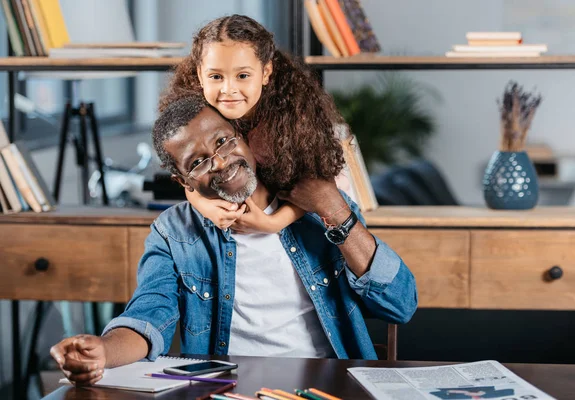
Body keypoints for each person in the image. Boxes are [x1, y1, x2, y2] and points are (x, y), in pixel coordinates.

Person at [50, 96, 418, 386]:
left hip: (325, 384)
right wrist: (102, 351)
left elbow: (400, 305)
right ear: (184, 183)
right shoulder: (173, 233)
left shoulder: (317, 208)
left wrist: (333, 208)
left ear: (244, 138)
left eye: (224, 141)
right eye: (197, 162)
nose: (221, 161)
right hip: (227, 389)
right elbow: (148, 317)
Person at [158, 14, 346, 233]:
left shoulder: (291, 117)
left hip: (306, 215)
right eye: (216, 77)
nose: (228, 89)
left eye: (243, 75)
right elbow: (189, 174)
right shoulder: (195, 116)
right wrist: (205, 206)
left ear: (265, 72)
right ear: (200, 74)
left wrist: (273, 223)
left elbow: (316, 188)